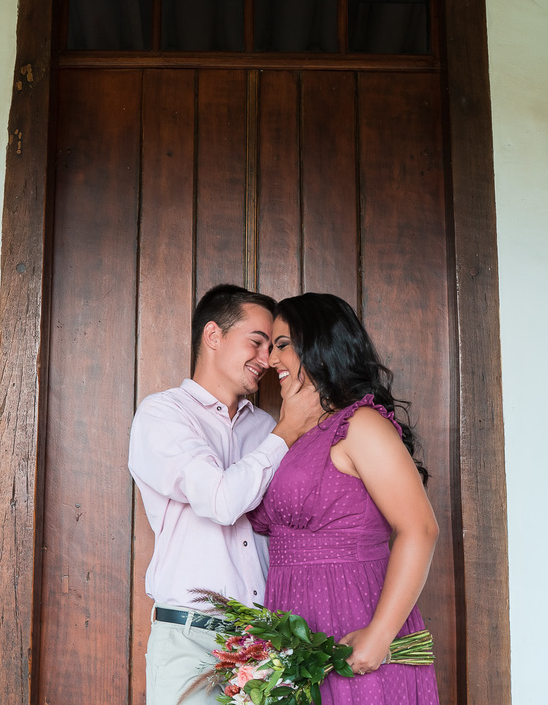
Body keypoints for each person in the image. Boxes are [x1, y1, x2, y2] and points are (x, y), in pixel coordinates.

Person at [128, 284, 322, 705]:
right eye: (257, 342)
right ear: (213, 335)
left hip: (267, 646)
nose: (267, 359)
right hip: (190, 642)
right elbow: (221, 501)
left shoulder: (266, 429)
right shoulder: (163, 414)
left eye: (273, 347)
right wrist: (288, 431)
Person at [250, 292, 441, 704]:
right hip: (294, 625)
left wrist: (379, 635)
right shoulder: (296, 434)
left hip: (353, 617)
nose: (270, 359)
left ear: (319, 346)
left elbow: (420, 529)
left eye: (282, 345)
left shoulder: (361, 424)